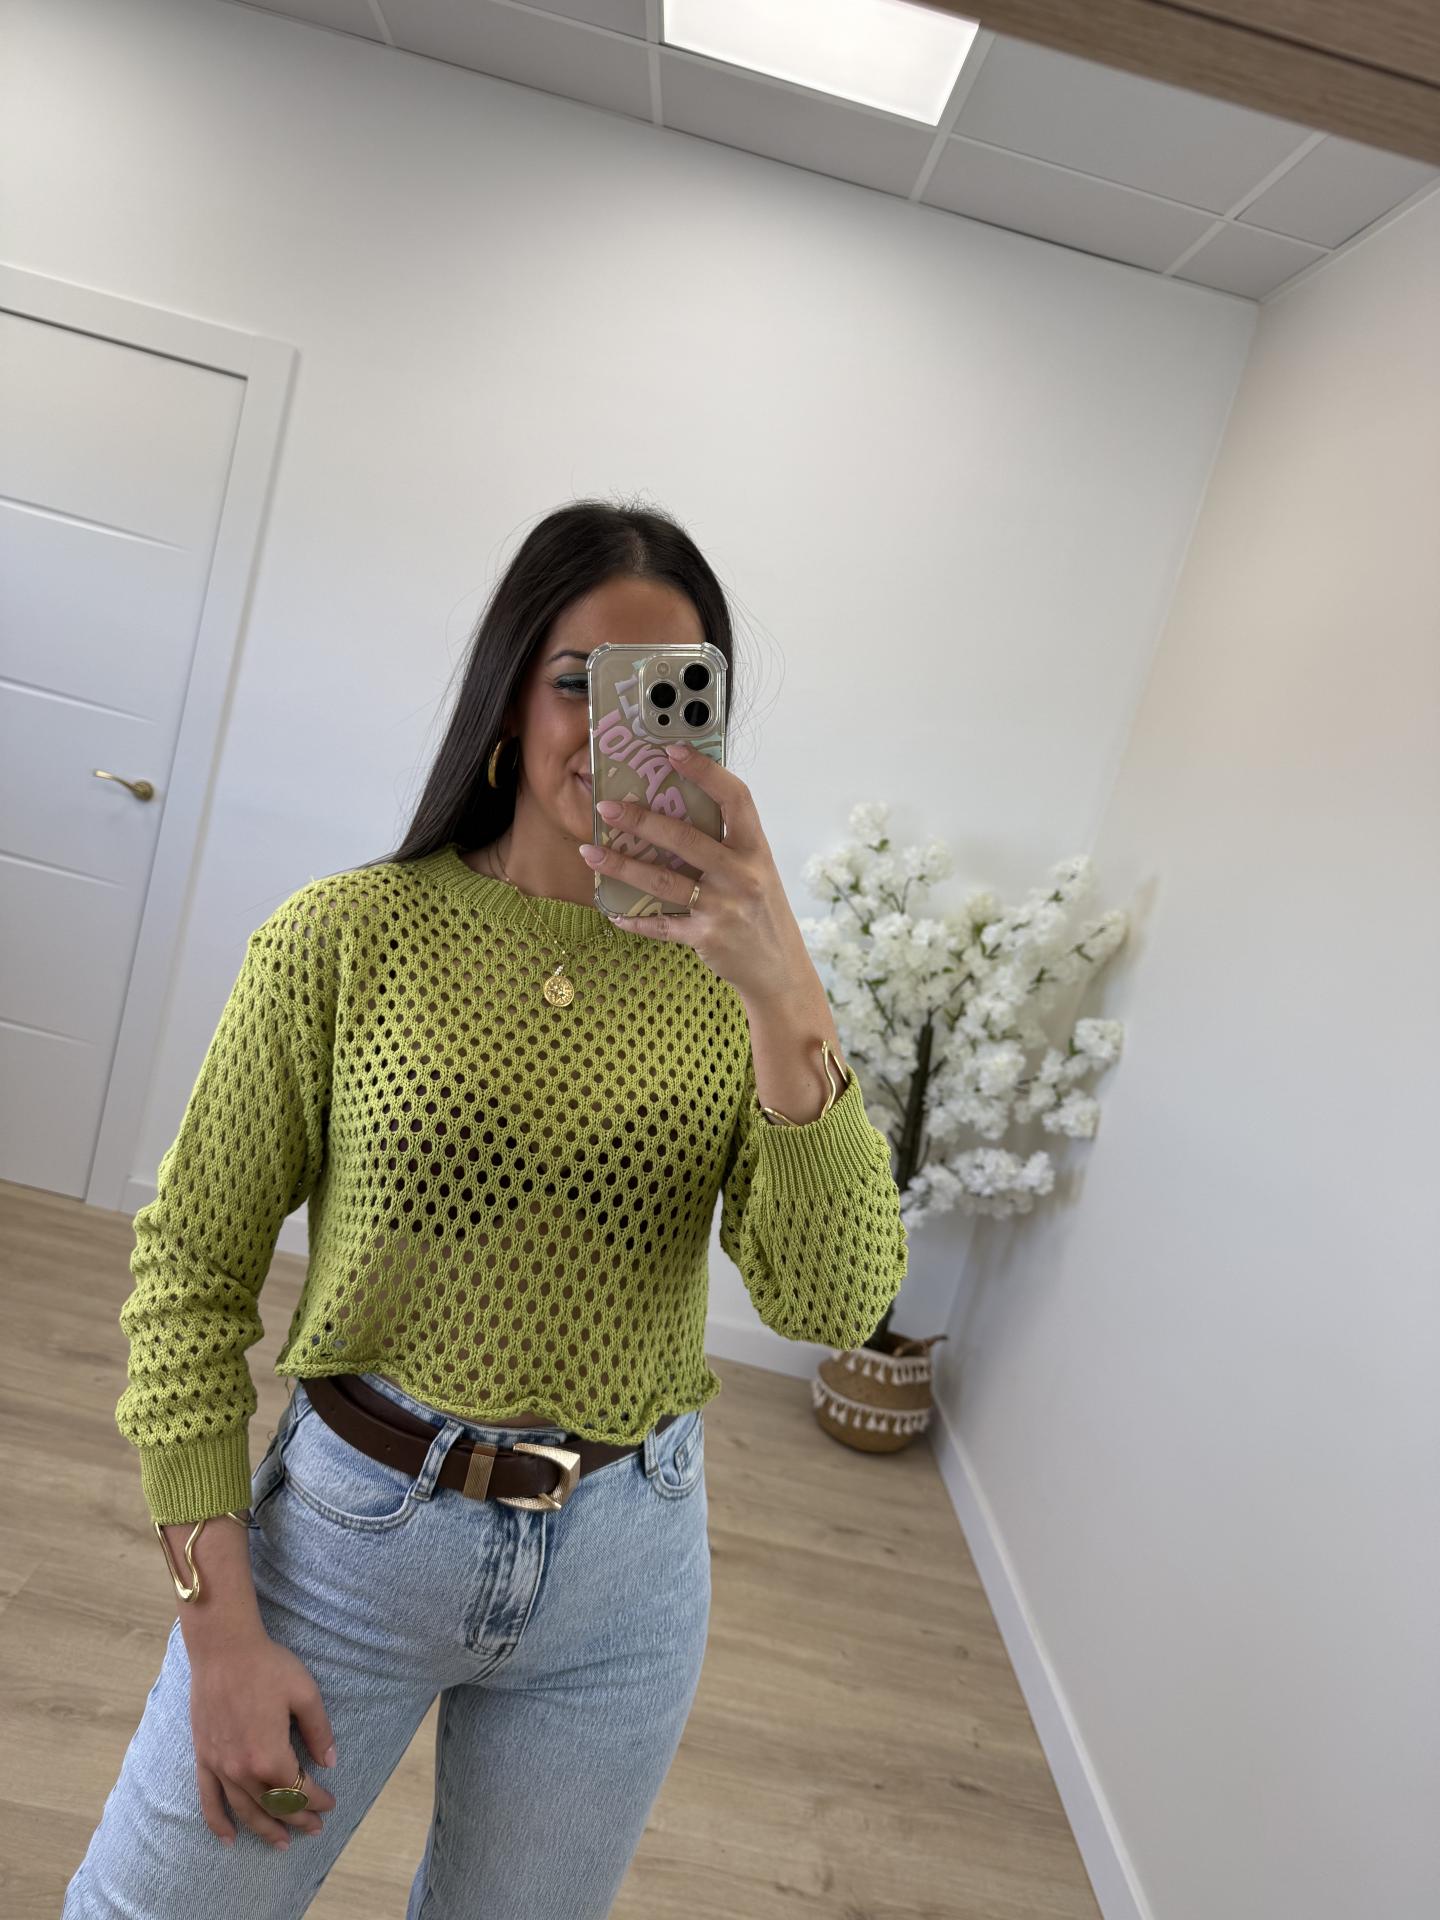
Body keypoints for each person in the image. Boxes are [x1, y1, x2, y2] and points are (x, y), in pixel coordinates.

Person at [61, 499, 908, 1920]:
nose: (616, 731)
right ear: (510, 697)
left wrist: (787, 996)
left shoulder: (744, 992)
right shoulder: (346, 936)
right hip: (353, 1542)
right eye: (581, 682)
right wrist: (218, 1629)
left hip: (629, 1571)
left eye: (665, 694)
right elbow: (191, 1276)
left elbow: (833, 1301)